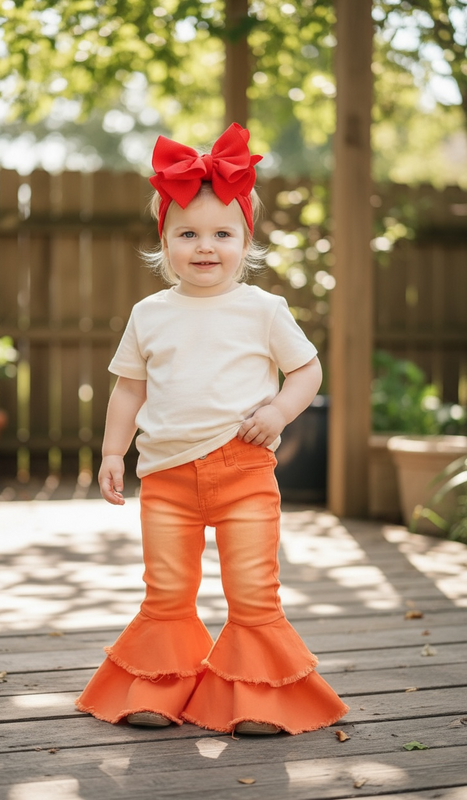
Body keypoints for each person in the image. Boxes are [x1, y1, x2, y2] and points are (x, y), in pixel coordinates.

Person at [75, 123, 349, 736]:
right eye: (187, 233)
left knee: (253, 592)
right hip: (167, 476)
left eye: (222, 233)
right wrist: (112, 451)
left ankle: (259, 699)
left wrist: (277, 412)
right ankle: (157, 692)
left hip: (244, 470)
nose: (205, 246)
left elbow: (307, 368)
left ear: (245, 240)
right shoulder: (150, 315)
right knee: (166, 591)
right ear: (164, 241)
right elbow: (130, 388)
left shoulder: (263, 309)